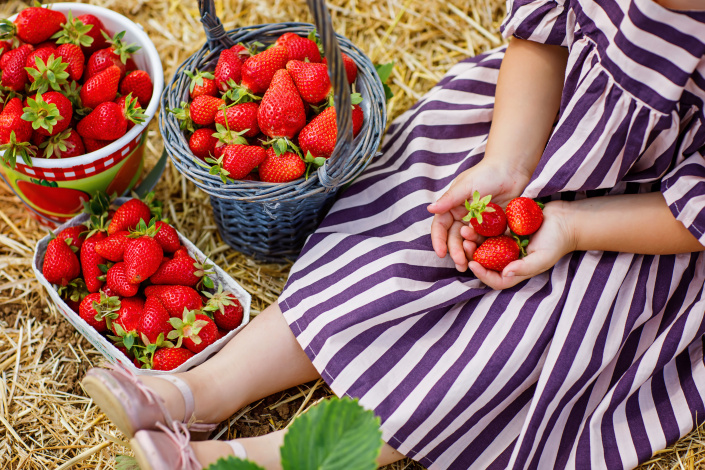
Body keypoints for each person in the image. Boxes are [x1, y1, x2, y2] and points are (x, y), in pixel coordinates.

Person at [82, 0, 705, 468]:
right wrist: (504, 166)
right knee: (392, 237)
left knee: (514, 344)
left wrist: (570, 226)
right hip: (537, 124)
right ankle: (195, 392)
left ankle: (246, 461)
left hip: (646, 223)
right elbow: (540, 42)